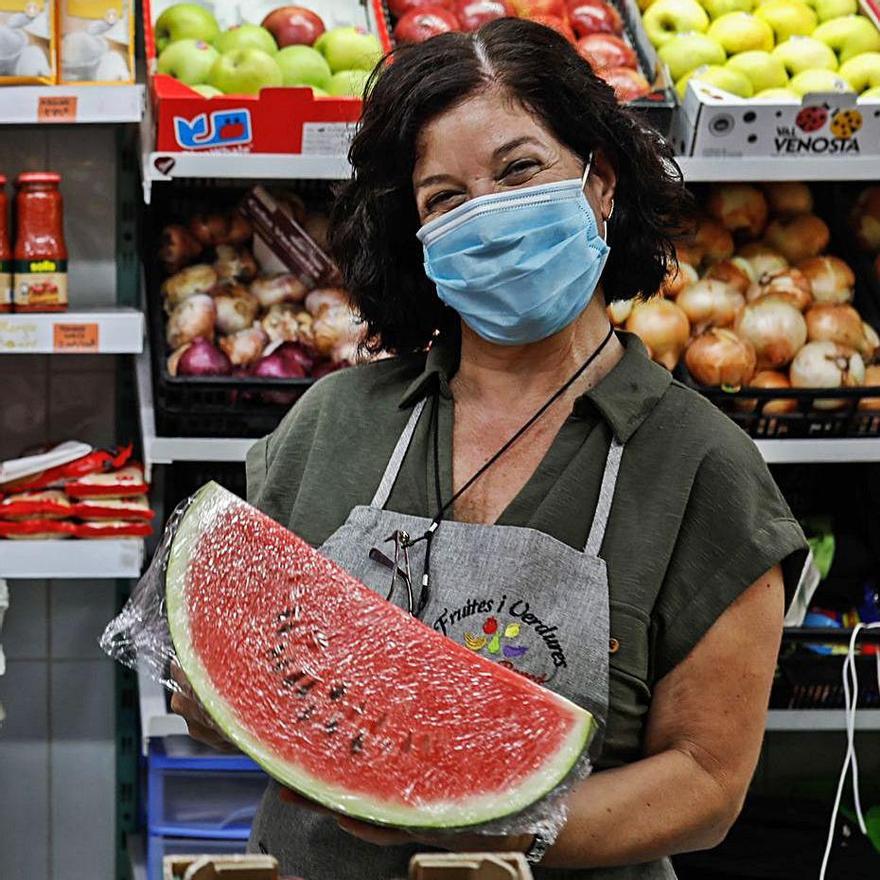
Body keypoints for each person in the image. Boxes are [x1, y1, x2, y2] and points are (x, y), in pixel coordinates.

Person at [171, 17, 808, 880]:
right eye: (445, 198)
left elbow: (705, 785)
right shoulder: (332, 422)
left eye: (519, 171)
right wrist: (218, 691)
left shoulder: (704, 469)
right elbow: (220, 677)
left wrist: (467, 821)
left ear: (600, 183)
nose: (490, 216)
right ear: (419, 236)